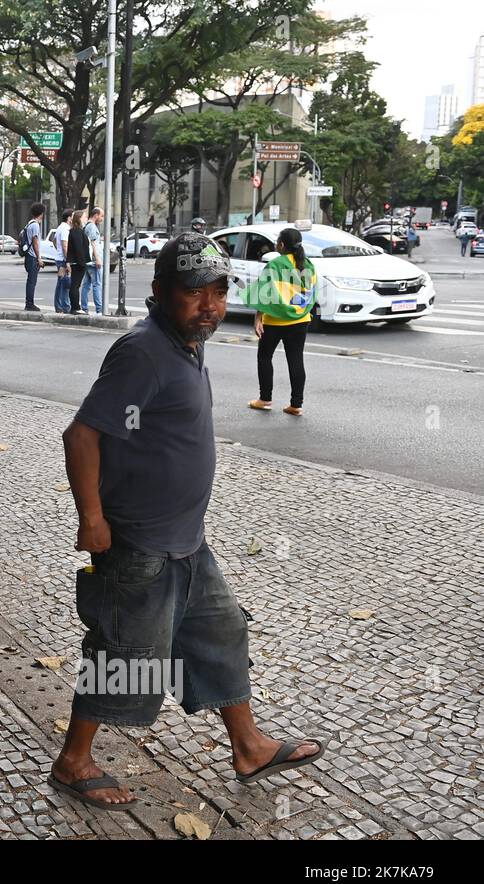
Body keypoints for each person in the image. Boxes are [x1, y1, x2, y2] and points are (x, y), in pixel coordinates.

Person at [52, 232, 324, 809]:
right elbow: (82, 435)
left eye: (219, 292)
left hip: (187, 543)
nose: (210, 305)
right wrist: (91, 519)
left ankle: (248, 746)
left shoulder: (187, 344)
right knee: (125, 656)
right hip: (139, 545)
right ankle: (73, 761)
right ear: (159, 293)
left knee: (221, 633)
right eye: (194, 292)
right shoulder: (143, 351)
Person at [244, 227, 316, 416]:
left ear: (282, 245)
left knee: (265, 357)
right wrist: (299, 312)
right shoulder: (308, 265)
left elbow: (264, 294)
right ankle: (296, 405)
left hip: (275, 321)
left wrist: (258, 318)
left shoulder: (275, 265)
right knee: (296, 359)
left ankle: (265, 399)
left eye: (277, 241)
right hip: (301, 320)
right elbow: (310, 294)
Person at [20, 203, 45, 313]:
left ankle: (29, 303)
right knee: (32, 282)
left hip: (28, 256)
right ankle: (29, 304)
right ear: (41, 214)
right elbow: (35, 242)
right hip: (32, 257)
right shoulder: (35, 225)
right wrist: (39, 258)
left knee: (30, 281)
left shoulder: (29, 224)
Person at [65, 210, 91, 315]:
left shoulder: (77, 230)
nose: (86, 218)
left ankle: (75, 307)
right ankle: (75, 307)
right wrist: (82, 263)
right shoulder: (76, 231)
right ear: (79, 218)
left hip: (77, 262)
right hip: (77, 263)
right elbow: (78, 248)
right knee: (75, 285)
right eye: (84, 217)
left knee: (75, 285)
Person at [81, 207, 105, 314]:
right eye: (102, 216)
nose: (102, 218)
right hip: (93, 261)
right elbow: (93, 243)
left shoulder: (87, 226)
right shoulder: (92, 227)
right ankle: (99, 309)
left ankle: (84, 308)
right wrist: (98, 259)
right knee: (97, 284)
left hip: (88, 260)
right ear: (96, 215)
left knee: (86, 285)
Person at [54, 209, 73, 313]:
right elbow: (65, 245)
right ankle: (65, 307)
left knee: (61, 283)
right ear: (69, 218)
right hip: (63, 260)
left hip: (59, 258)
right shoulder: (65, 228)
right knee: (65, 284)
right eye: (72, 216)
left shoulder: (59, 227)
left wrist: (59, 251)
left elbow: (54, 241)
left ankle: (59, 306)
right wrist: (68, 261)